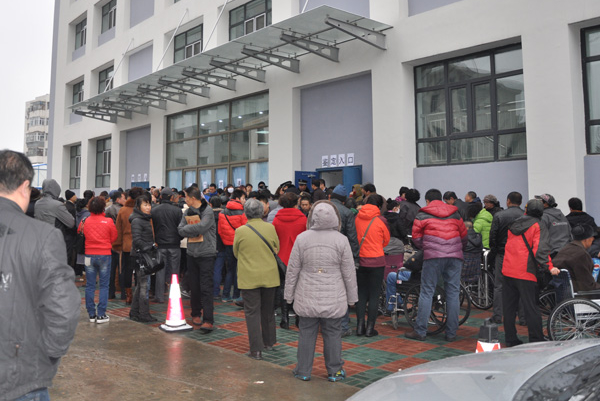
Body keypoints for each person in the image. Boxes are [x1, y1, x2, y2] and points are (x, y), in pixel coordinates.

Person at [0, 150, 80, 401]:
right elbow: (63, 308)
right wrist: (47, 354)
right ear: (25, 186)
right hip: (20, 377)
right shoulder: (44, 236)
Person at [285, 201, 358, 382]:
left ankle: (303, 371)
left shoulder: (302, 238)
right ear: (335, 217)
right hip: (333, 296)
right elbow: (349, 272)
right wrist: (352, 298)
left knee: (306, 333)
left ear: (312, 218)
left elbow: (292, 270)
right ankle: (335, 371)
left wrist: (289, 296)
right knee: (333, 333)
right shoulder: (341, 240)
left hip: (306, 295)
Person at [406, 188, 467, 342]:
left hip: (433, 256)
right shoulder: (455, 213)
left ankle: (420, 331)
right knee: (453, 293)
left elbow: (416, 238)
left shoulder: (422, 214)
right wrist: (457, 248)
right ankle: (451, 333)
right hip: (454, 256)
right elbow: (463, 235)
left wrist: (427, 247)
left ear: (427, 201)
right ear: (441, 199)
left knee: (427, 291)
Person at [502, 199, 560, 346]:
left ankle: (510, 339)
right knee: (531, 308)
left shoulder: (514, 224)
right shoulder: (538, 225)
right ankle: (536, 340)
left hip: (508, 269)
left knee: (509, 308)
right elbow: (540, 251)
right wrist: (549, 267)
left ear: (526, 210)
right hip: (526, 271)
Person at [233, 198, 280, 360]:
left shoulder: (240, 231)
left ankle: (256, 350)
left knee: (252, 313)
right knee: (268, 311)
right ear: (262, 212)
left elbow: (236, 252)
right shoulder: (270, 227)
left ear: (246, 213)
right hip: (270, 275)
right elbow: (277, 248)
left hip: (249, 277)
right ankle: (269, 342)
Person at [178, 186, 217, 333]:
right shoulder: (187, 212)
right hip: (191, 253)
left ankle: (208, 320)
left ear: (193, 198)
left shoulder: (208, 211)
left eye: (186, 197)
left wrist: (188, 230)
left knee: (206, 287)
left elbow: (202, 227)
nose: (185, 200)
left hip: (206, 254)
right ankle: (195, 314)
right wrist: (191, 230)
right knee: (194, 287)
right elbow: (180, 229)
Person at [355, 194, 390, 337]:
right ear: (379, 206)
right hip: (377, 261)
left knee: (361, 294)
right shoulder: (381, 220)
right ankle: (370, 328)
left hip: (360, 260)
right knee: (374, 295)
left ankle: (359, 327)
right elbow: (386, 240)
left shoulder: (357, 218)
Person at [328, 185, 359, 336]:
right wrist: (354, 257)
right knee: (341, 290)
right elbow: (352, 237)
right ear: (344, 200)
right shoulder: (347, 213)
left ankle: (326, 323)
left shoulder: (321, 209)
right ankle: (343, 326)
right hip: (340, 256)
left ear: (330, 197)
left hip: (322, 254)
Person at [488, 191, 524, 325]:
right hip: (521, 255)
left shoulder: (499, 215)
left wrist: (495, 250)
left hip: (503, 253)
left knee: (499, 286)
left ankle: (498, 316)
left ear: (508, 201)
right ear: (521, 202)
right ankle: (523, 318)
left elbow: (493, 236)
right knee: (521, 286)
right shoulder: (525, 216)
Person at [273, 192, 307, 329]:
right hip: (298, 256)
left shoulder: (276, 220)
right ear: (296, 203)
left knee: (283, 287)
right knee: (299, 287)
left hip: (281, 257)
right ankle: (299, 318)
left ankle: (285, 318)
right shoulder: (303, 219)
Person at [80, 196, 117, 323]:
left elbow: (80, 232)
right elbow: (114, 237)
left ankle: (91, 314)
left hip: (88, 255)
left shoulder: (85, 220)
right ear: (103, 207)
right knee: (104, 285)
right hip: (104, 255)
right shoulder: (109, 221)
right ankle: (101, 314)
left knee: (90, 285)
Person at [151, 188, 183, 303]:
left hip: (160, 244)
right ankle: (174, 296)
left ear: (160, 197)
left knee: (160, 271)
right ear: (171, 197)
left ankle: (159, 296)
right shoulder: (177, 211)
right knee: (175, 272)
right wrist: (179, 238)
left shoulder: (154, 210)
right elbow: (181, 228)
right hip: (174, 244)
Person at [114, 187, 145, 304]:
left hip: (127, 245)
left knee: (127, 270)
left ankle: (128, 295)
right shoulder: (143, 209)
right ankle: (139, 294)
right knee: (140, 271)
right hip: (141, 245)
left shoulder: (123, 210)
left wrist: (117, 244)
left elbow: (118, 229)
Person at [129, 194, 158, 322]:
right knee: (144, 286)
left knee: (141, 285)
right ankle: (144, 314)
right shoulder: (137, 220)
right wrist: (151, 246)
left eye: (149, 204)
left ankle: (134, 312)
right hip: (141, 256)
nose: (148, 207)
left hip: (144, 255)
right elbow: (137, 240)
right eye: (145, 205)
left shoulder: (144, 218)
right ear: (138, 206)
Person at [218, 189, 247, 303]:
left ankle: (225, 295)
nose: (245, 200)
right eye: (244, 198)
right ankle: (236, 295)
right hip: (239, 245)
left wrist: (226, 240)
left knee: (230, 270)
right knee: (238, 270)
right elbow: (245, 229)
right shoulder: (243, 213)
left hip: (227, 244)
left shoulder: (222, 212)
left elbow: (220, 231)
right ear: (238, 199)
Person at [552, 224, 600, 291]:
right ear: (586, 239)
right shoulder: (581, 254)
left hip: (563, 288)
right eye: (592, 237)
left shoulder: (567, 248)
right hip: (577, 290)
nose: (593, 239)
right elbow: (587, 284)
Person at [536, 193, 572, 258]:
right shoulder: (562, 216)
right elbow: (570, 233)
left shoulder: (543, 217)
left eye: (539, 201)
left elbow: (541, 236)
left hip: (552, 253)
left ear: (545, 204)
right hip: (566, 251)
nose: (537, 203)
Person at [105, 190, 125, 299]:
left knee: (111, 269)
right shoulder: (122, 210)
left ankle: (110, 292)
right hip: (120, 242)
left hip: (110, 242)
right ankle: (123, 293)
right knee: (122, 268)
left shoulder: (107, 209)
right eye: (123, 198)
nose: (125, 200)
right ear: (118, 199)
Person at [210, 196, 226, 299]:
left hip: (209, 245)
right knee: (218, 270)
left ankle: (208, 291)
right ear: (220, 204)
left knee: (208, 270)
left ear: (210, 204)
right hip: (221, 245)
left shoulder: (207, 215)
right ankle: (216, 292)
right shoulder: (224, 215)